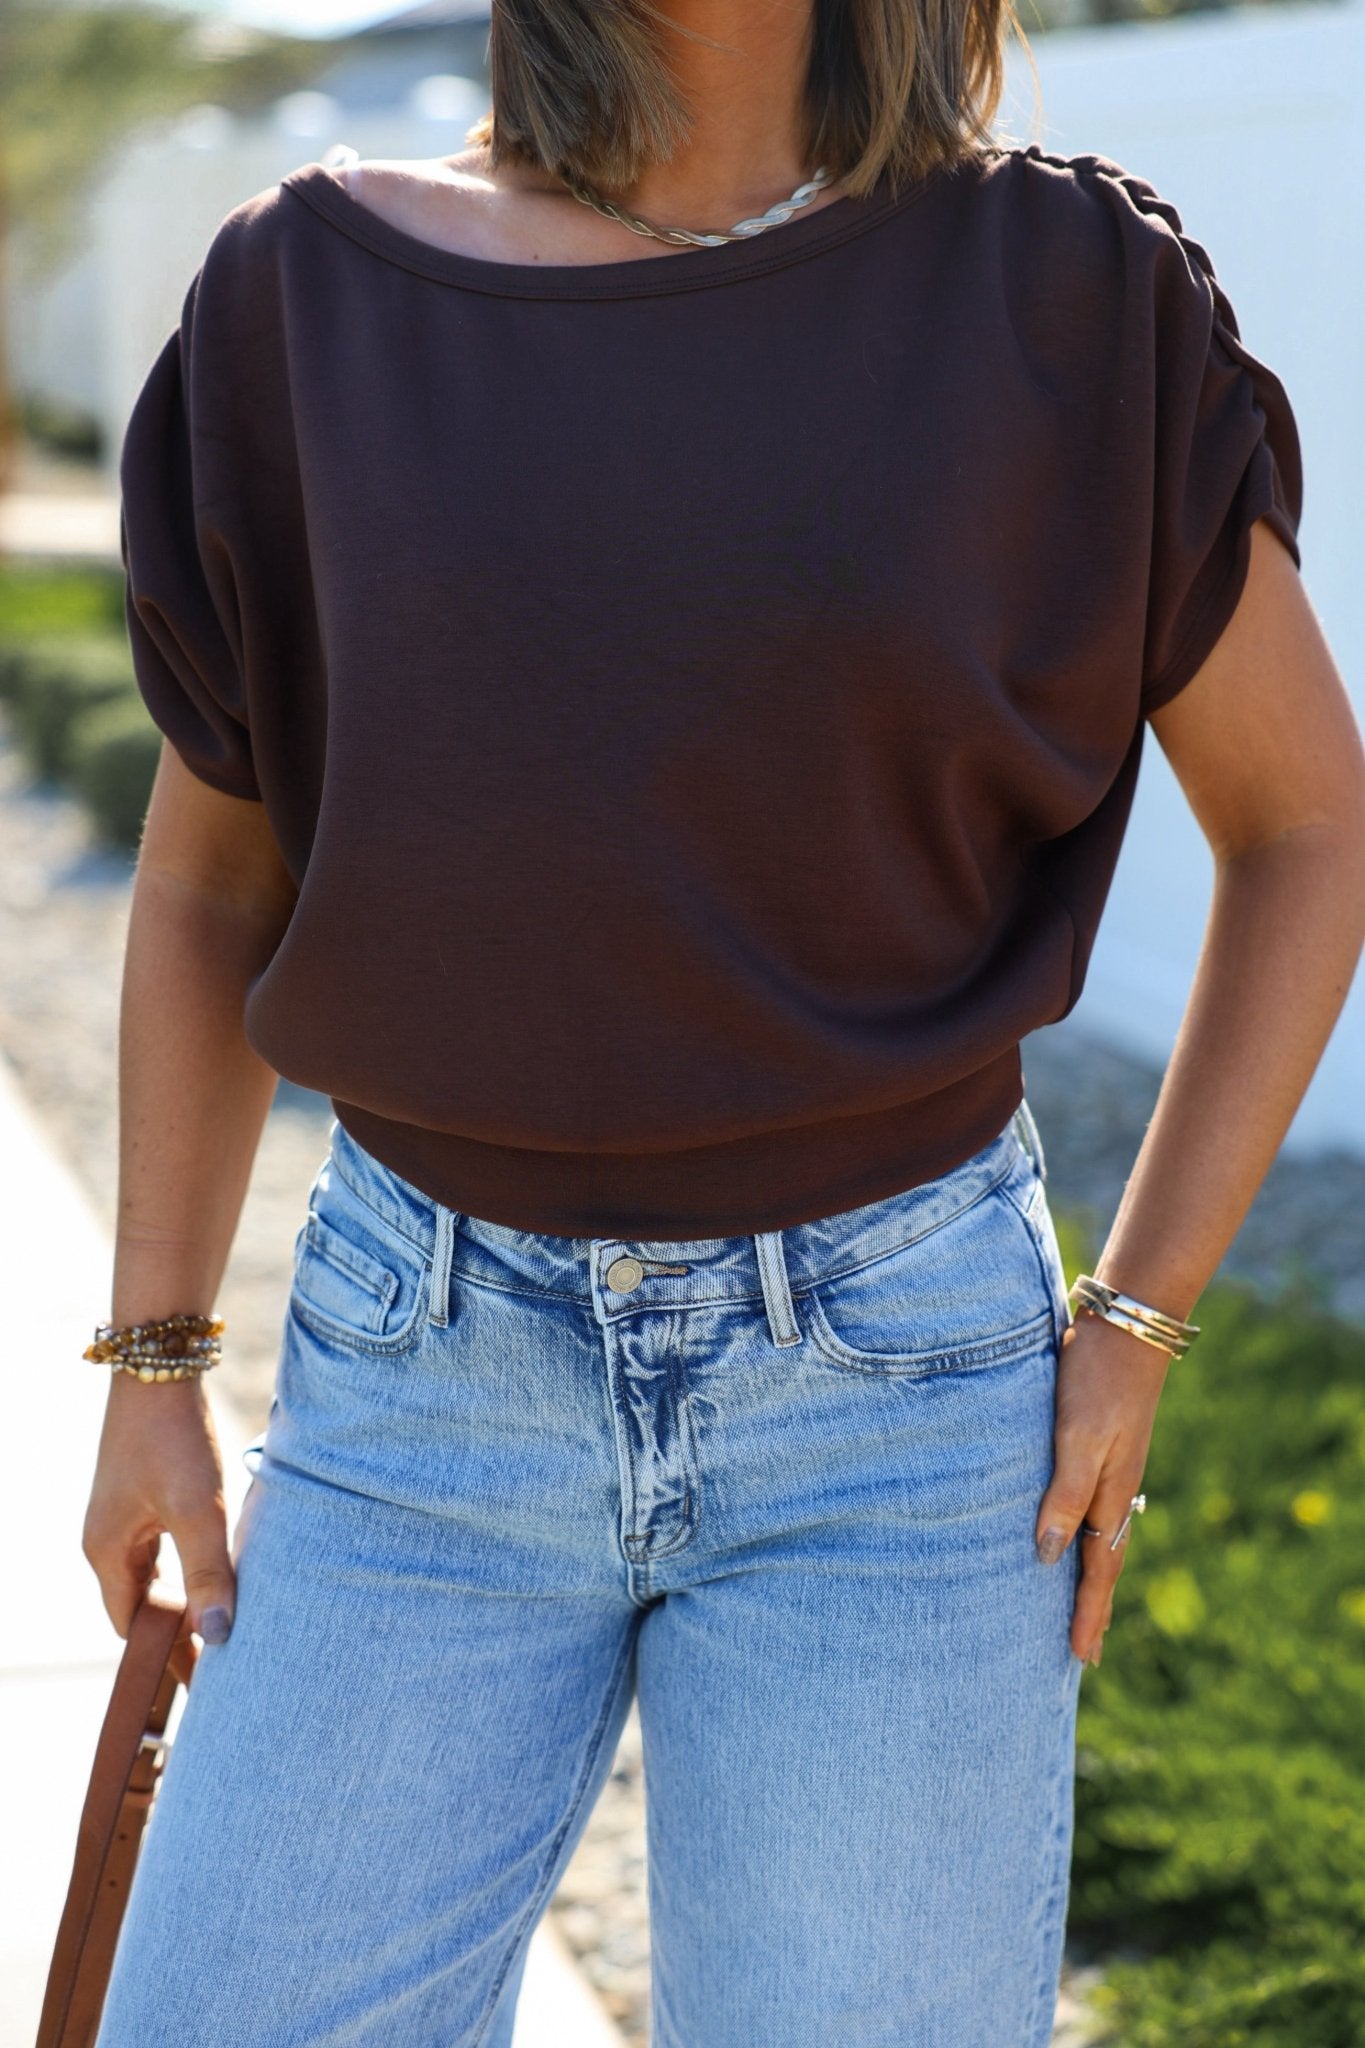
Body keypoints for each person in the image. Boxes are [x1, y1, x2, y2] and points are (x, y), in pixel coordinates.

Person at [83, 1, 1365, 2042]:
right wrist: (153, 1362)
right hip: (423, 1378)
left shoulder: (1061, 291)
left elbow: (1303, 824)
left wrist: (1132, 1321)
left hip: (896, 1392)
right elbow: (201, 876)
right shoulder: (306, 294)